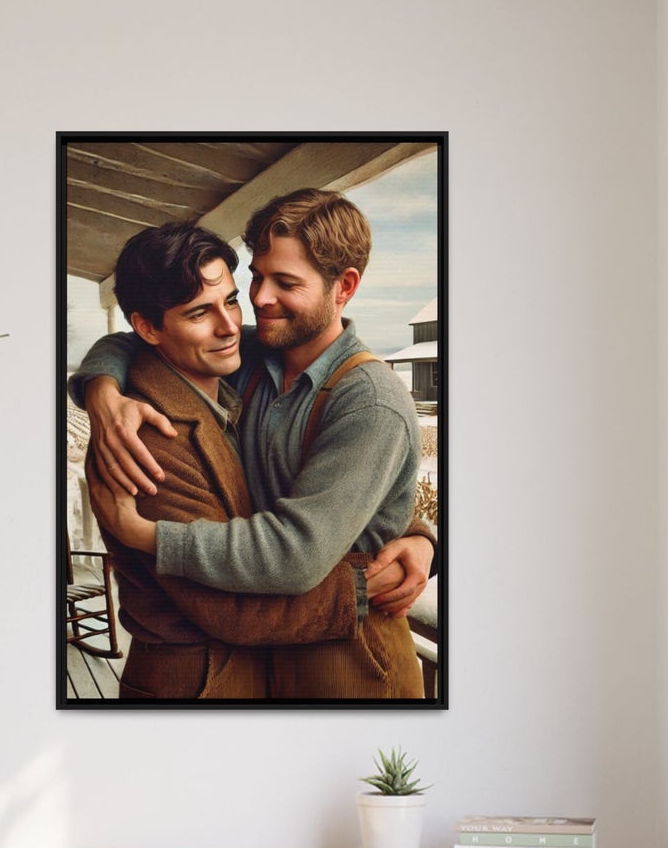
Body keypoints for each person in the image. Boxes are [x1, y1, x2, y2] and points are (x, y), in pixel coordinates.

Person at [75, 188, 434, 699]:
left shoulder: (369, 400)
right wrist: (101, 390)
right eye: (257, 278)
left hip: (354, 656)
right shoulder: (253, 354)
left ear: (344, 287)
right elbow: (134, 337)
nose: (260, 301)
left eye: (285, 283)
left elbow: (297, 554)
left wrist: (145, 535)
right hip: (262, 656)